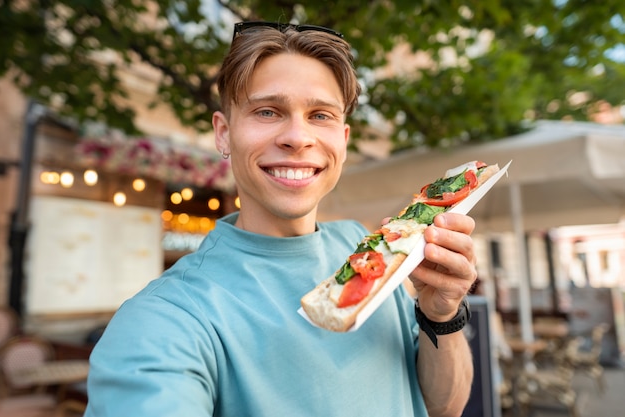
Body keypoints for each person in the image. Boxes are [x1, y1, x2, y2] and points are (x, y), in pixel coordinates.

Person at [85, 21, 476, 417]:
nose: (297, 136)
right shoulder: (166, 318)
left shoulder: (365, 247)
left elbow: (444, 407)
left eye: (320, 115)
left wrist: (441, 314)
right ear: (223, 133)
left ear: (343, 139)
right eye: (268, 111)